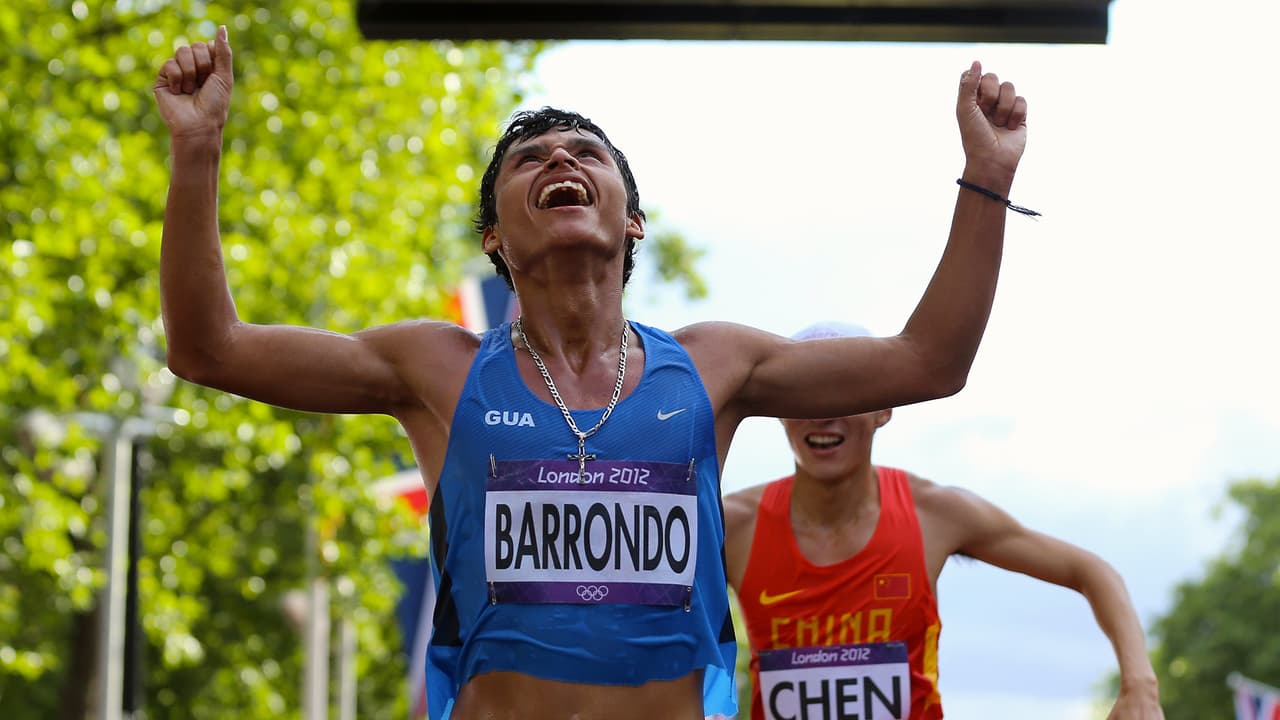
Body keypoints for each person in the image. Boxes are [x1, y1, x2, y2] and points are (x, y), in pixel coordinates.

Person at [152, 25, 1031, 720]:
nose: (561, 161)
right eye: (530, 161)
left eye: (585, 154)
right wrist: (197, 152)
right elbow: (208, 349)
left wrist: (986, 177)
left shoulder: (716, 363)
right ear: (493, 236)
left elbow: (928, 362)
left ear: (634, 222)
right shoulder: (434, 366)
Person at [723, 322, 1165, 720]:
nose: (824, 412)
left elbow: (1092, 571)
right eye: (805, 394)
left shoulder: (933, 512)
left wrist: (1140, 686)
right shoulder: (731, 524)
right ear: (778, 410)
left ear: (885, 408)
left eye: (846, 392)